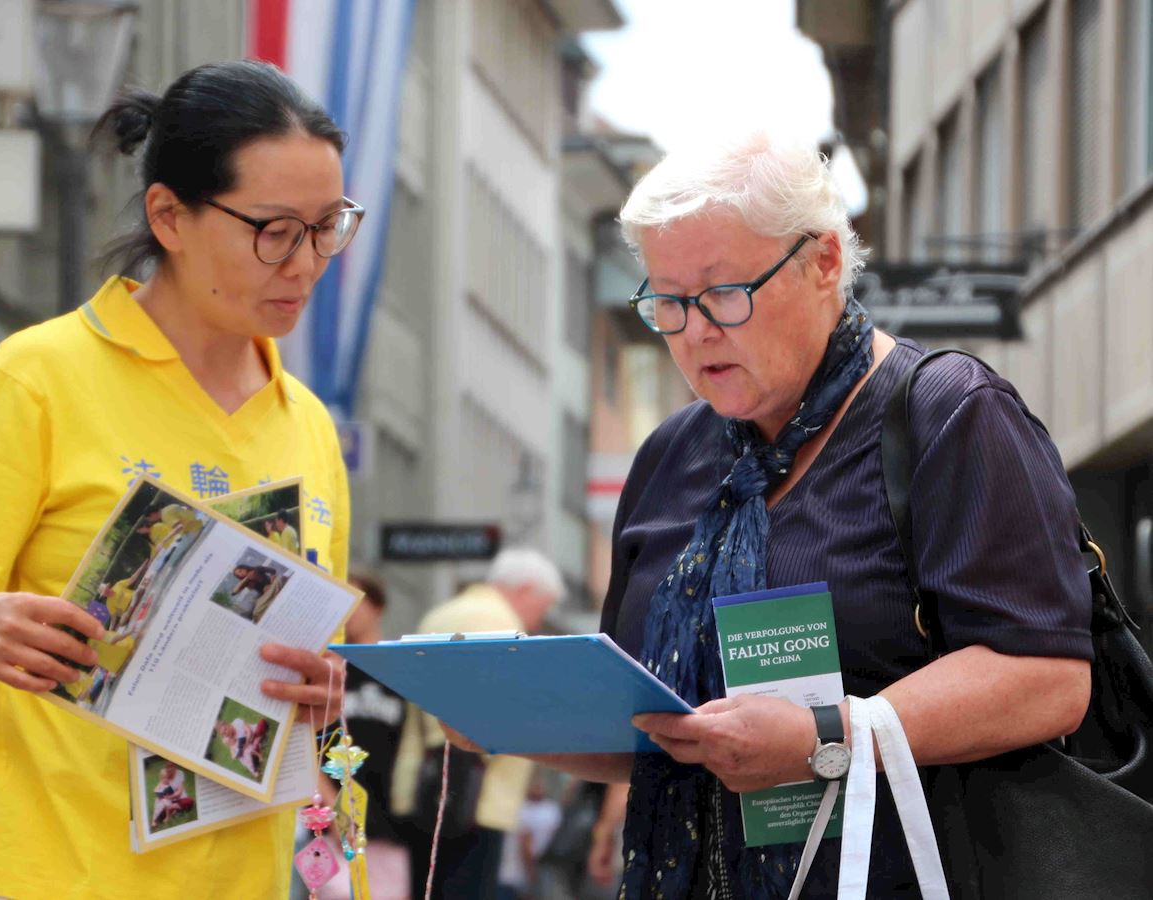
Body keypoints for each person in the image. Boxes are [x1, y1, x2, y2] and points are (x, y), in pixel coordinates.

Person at [472, 133, 1092, 898]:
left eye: (724, 293)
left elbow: (1047, 676)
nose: (697, 331)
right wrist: (508, 718)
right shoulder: (669, 455)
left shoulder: (948, 412)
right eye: (669, 301)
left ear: (823, 261)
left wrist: (824, 737)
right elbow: (654, 731)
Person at [0, 60, 357, 900]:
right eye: (275, 231)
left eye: (328, 227)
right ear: (168, 215)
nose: (307, 263)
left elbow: (311, 668)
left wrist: (322, 688)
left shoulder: (307, 423)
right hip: (45, 873)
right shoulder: (38, 377)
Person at [392, 548, 566, 899]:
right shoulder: (503, 625)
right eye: (543, 606)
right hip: (479, 795)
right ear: (526, 590)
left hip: (424, 784)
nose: (539, 619)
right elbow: (503, 710)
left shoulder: (439, 614)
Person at [318, 572, 410, 900]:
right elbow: (306, 743)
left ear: (377, 606)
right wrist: (334, 811)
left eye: (356, 601)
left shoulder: (401, 672)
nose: (349, 612)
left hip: (391, 824)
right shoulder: (329, 671)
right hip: (335, 822)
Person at [495, 773, 562, 900]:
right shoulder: (551, 811)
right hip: (510, 875)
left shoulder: (549, 811)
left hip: (511, 875)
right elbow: (527, 845)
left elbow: (527, 845)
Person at [151, 762, 194, 828]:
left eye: (171, 766)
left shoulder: (179, 773)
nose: (169, 769)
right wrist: (159, 793)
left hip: (180, 799)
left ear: (175, 767)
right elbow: (159, 787)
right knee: (159, 805)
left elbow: (179, 793)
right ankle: (173, 811)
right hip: (170, 801)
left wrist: (169, 797)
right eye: (167, 767)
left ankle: (173, 810)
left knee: (189, 801)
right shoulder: (165, 775)